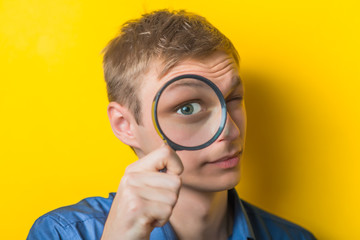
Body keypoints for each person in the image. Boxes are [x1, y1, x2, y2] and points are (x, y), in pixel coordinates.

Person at [27, 9, 316, 240]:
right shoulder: (62, 234)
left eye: (233, 98)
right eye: (187, 108)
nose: (230, 131)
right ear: (124, 124)